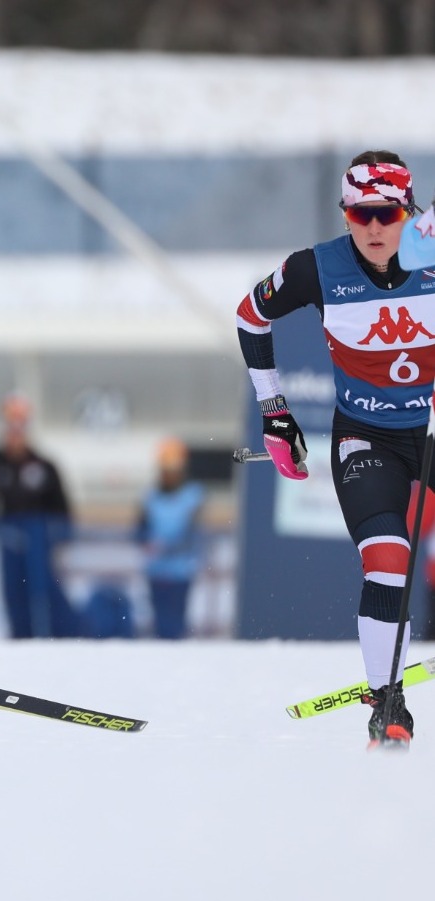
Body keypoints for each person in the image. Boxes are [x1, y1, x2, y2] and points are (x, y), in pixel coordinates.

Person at [235, 150, 424, 749]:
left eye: (387, 214)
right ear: (345, 215)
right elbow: (249, 316)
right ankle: (387, 702)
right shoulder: (317, 269)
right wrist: (275, 413)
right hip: (368, 435)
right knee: (388, 559)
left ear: (408, 212)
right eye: (361, 213)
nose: (374, 228)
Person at [0, 394, 77, 639]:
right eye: (11, 428)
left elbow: (62, 510)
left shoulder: (45, 466)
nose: (15, 435)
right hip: (11, 543)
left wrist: (53, 537)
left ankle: (51, 640)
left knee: (43, 594)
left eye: (20, 428)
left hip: (39, 544)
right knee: (13, 595)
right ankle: (20, 641)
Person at [135, 437, 204, 640]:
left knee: (175, 623)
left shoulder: (192, 496)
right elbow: (139, 530)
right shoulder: (150, 497)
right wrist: (147, 543)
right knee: (159, 623)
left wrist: (165, 546)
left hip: (180, 571)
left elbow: (191, 533)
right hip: (156, 571)